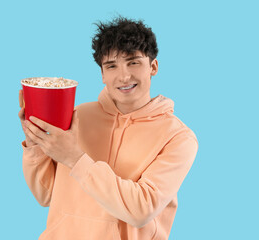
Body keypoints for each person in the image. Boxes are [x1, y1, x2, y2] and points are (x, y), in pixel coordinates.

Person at [19, 16, 198, 240]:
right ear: (102, 74)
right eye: (111, 66)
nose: (123, 76)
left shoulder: (178, 137)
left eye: (133, 62)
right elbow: (45, 196)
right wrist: (36, 144)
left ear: (153, 66)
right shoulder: (77, 116)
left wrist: (74, 158)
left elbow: (141, 209)